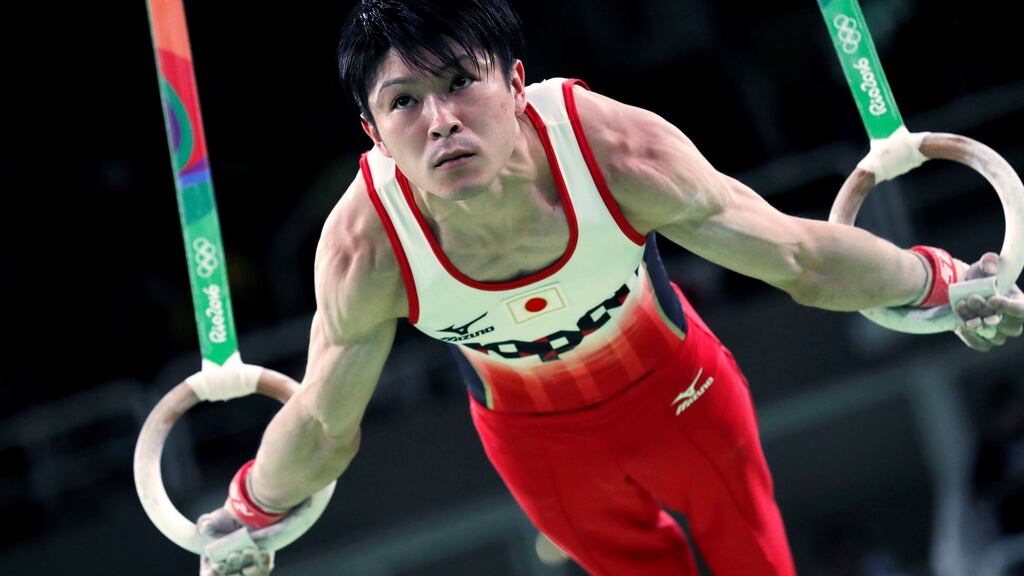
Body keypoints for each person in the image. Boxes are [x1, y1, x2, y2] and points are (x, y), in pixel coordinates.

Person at [189, 1, 1024, 574]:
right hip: (538, 453)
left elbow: (797, 257)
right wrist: (253, 511)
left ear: (515, 85)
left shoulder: (614, 152)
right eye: (404, 102)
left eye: (458, 84)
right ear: (371, 132)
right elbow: (325, 423)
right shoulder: (365, 248)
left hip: (682, 393)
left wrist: (941, 284)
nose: (440, 119)